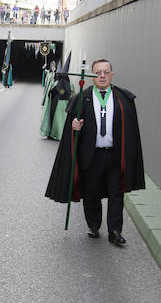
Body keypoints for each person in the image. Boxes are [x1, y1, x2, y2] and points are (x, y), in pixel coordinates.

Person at [44, 59, 145, 246]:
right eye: (98, 72)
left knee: (117, 193)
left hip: (115, 155)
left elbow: (131, 130)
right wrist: (75, 127)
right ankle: (93, 225)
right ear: (91, 75)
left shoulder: (122, 98)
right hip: (92, 155)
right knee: (91, 193)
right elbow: (71, 129)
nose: (102, 76)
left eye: (106, 72)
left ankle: (115, 231)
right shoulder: (82, 98)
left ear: (112, 74)